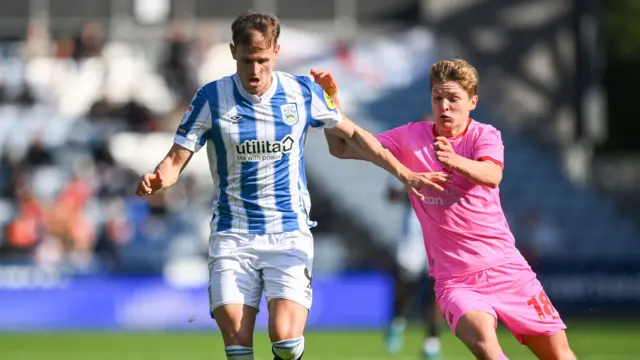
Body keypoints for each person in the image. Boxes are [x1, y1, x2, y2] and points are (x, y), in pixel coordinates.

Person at [135, 11, 447, 360]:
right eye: (248, 60)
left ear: (277, 52)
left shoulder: (300, 92)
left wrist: (404, 172)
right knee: (238, 347)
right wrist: (160, 176)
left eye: (263, 60)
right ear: (232, 51)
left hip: (288, 233)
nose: (255, 70)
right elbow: (176, 160)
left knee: (284, 340)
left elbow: (354, 137)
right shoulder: (211, 98)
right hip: (232, 235)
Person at [314, 59, 576, 360]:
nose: (445, 106)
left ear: (472, 102)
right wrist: (330, 104)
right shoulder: (411, 136)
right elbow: (342, 148)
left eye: (453, 98)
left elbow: (492, 175)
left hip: (508, 270)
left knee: (560, 355)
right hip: (457, 281)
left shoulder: (484, 136)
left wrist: (455, 161)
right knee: (483, 342)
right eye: (438, 98)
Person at [385, 173, 442, 359]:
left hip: (444, 227)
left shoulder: (450, 154)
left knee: (439, 286)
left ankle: (431, 341)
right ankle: (397, 321)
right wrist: (410, 188)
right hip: (415, 228)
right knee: (407, 282)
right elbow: (391, 194)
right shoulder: (407, 154)